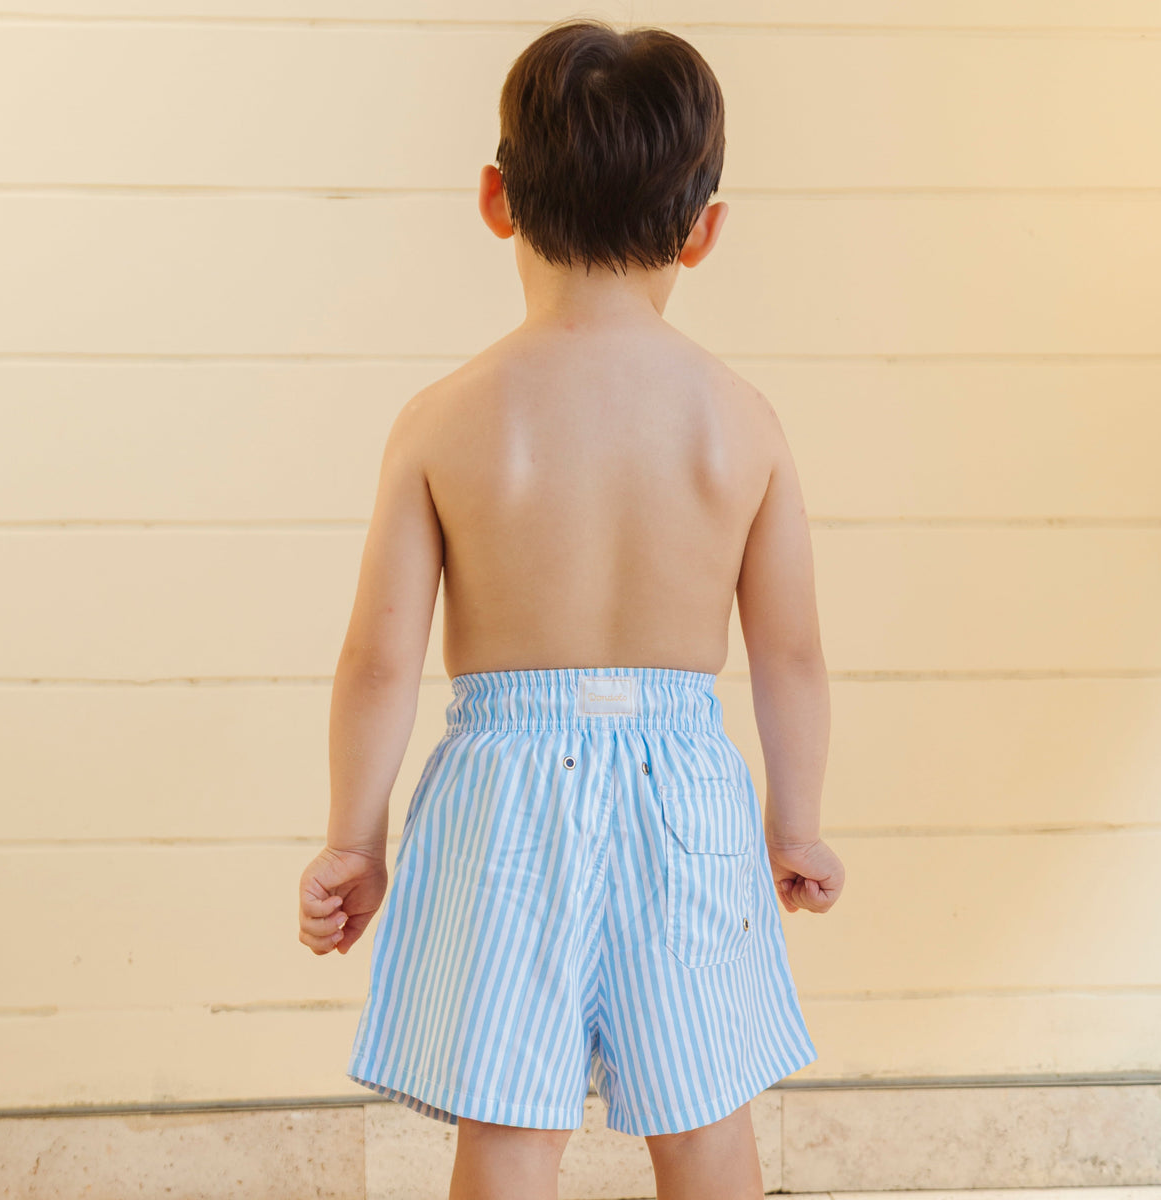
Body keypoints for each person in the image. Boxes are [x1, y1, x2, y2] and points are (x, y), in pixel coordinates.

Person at [297, 17, 844, 1200]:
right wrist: (795, 821)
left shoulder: (446, 420)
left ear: (497, 199)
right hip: (686, 785)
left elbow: (380, 662)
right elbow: (789, 653)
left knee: (507, 1118)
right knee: (706, 1115)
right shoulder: (738, 421)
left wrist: (355, 834)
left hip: (502, 796)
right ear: (704, 232)